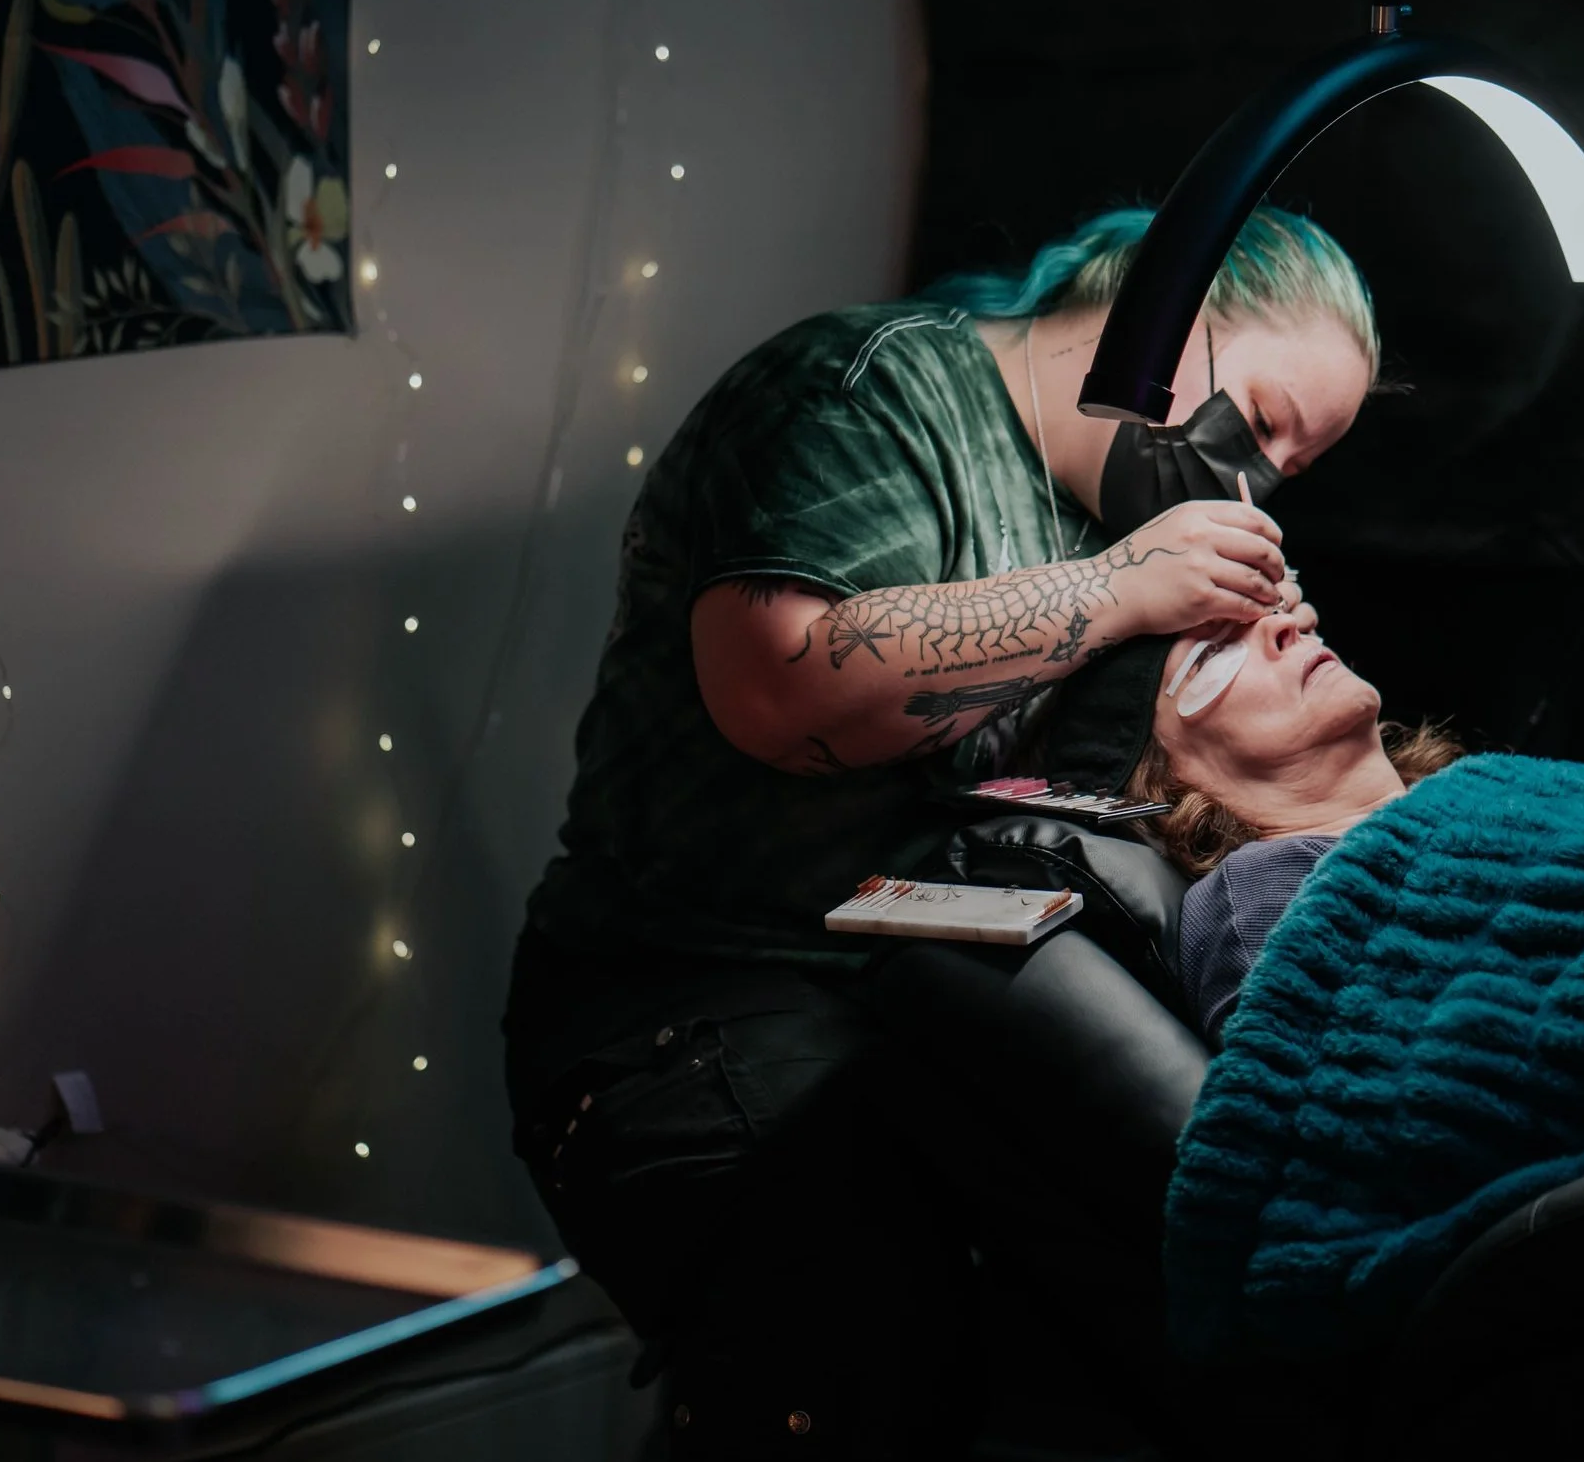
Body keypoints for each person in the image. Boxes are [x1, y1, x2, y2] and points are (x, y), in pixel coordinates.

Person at [500, 205, 1386, 1452]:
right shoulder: (869, 390)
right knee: (856, 1356)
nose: (1257, 481)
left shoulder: (1126, 523)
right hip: (691, 1008)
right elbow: (777, 688)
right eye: (1263, 423)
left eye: (1292, 474)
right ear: (1165, 317)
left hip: (918, 1010)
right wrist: (1117, 589)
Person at [1119, 611, 1465, 1046]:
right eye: (1212, 654)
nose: (1289, 624)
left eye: (1282, 606)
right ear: (1166, 774)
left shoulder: (1478, 800)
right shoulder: (1268, 896)